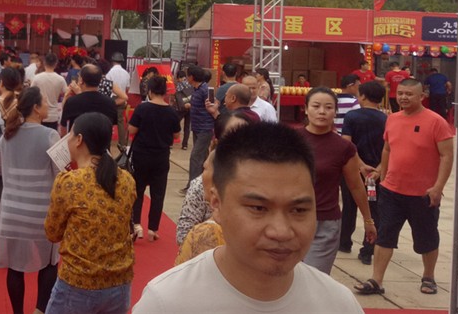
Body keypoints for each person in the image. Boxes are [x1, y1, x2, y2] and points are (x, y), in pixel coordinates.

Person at [134, 123, 365, 313]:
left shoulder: (338, 304)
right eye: (258, 208)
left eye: (298, 210)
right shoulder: (167, 303)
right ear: (216, 204)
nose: (281, 231)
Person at [354, 78, 454, 297]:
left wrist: (438, 187)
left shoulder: (436, 122)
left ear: (422, 96)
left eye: (409, 94)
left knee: (427, 238)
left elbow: (447, 155)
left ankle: (429, 277)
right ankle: (376, 280)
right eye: (400, 93)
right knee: (385, 236)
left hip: (423, 194)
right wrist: (382, 174)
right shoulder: (392, 119)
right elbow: (388, 149)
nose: (403, 97)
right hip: (392, 191)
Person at [44, 112, 136, 314]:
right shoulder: (127, 180)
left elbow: (52, 233)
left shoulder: (70, 182)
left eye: (70, 135)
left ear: (79, 140)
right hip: (119, 283)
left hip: (78, 283)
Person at [0, 87, 60, 314]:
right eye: (45, 103)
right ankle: (40, 310)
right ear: (36, 108)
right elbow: (61, 173)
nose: (48, 106)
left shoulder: (7, 135)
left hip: (12, 212)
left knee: (15, 267)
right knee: (50, 261)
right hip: (41, 212)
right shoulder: (50, 135)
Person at [296, 87, 376, 274]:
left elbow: (355, 186)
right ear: (306, 109)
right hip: (291, 220)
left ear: (335, 112)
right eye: (316, 106)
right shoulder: (291, 140)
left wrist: (368, 220)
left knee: (315, 279)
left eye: (328, 107)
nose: (322, 112)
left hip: (325, 224)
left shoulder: (343, 147)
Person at [175, 110, 253, 246]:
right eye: (232, 139)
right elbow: (183, 237)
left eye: (246, 137)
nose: (240, 145)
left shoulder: (261, 182)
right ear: (216, 142)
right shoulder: (202, 184)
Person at [339, 81, 387, 264]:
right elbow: (390, 147)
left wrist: (359, 165)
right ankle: (368, 250)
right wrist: (379, 170)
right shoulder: (386, 119)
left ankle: (344, 242)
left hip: (352, 170)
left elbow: (347, 143)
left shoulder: (352, 116)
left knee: (349, 206)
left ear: (363, 96)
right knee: (374, 209)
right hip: (374, 175)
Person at [129, 75, 181, 242]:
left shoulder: (142, 109)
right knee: (158, 193)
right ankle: (153, 229)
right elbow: (176, 135)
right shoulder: (171, 112)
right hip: (161, 157)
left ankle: (136, 225)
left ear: (150, 91)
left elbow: (131, 130)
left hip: (141, 155)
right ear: (165, 92)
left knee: (137, 191)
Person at [185, 66, 214, 189]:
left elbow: (211, 107)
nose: (186, 78)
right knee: (202, 157)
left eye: (187, 75)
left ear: (191, 77)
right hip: (196, 127)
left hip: (205, 128)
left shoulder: (205, 90)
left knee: (195, 157)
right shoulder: (196, 89)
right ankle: (202, 184)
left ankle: (192, 186)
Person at [32, 53, 68, 130]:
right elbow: (67, 93)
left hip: (39, 114)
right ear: (56, 64)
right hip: (53, 115)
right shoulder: (60, 79)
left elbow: (31, 94)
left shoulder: (37, 78)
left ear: (44, 62)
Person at [105, 53, 131, 147]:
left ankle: (107, 142)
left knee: (109, 120)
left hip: (112, 98)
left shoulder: (110, 73)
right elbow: (127, 88)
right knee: (120, 121)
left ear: (112, 61)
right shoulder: (126, 73)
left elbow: (107, 87)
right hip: (122, 98)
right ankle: (122, 143)